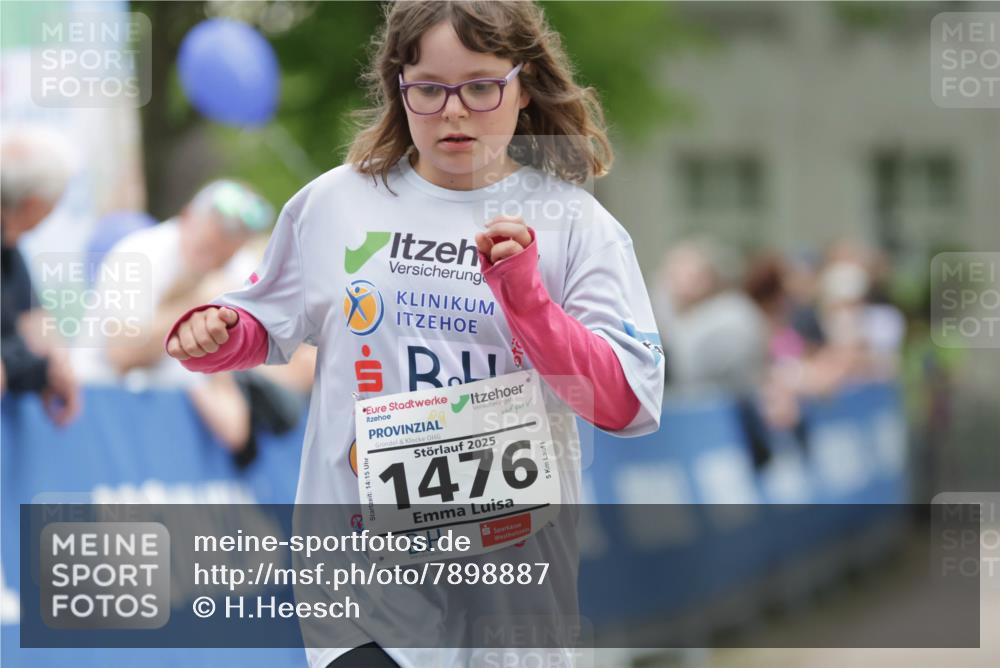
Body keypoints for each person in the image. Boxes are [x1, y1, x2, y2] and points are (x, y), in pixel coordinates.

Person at [165, 2, 664, 667]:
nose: (454, 111)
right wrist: (221, 333)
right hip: (361, 578)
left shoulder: (575, 224)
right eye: (428, 89)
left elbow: (626, 404)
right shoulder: (333, 204)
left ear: (523, 83)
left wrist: (528, 300)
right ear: (399, 88)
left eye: (481, 87)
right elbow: (265, 322)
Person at [74, 180, 274, 454]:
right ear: (187, 217)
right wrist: (199, 302)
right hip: (98, 414)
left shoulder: (236, 268)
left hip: (161, 427)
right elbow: (122, 352)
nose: (214, 259)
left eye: (225, 252)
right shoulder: (140, 254)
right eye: (208, 245)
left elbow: (236, 409)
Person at [0, 126, 80, 426]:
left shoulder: (11, 248)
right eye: (53, 206)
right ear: (33, 204)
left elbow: (34, 318)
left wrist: (57, 365)